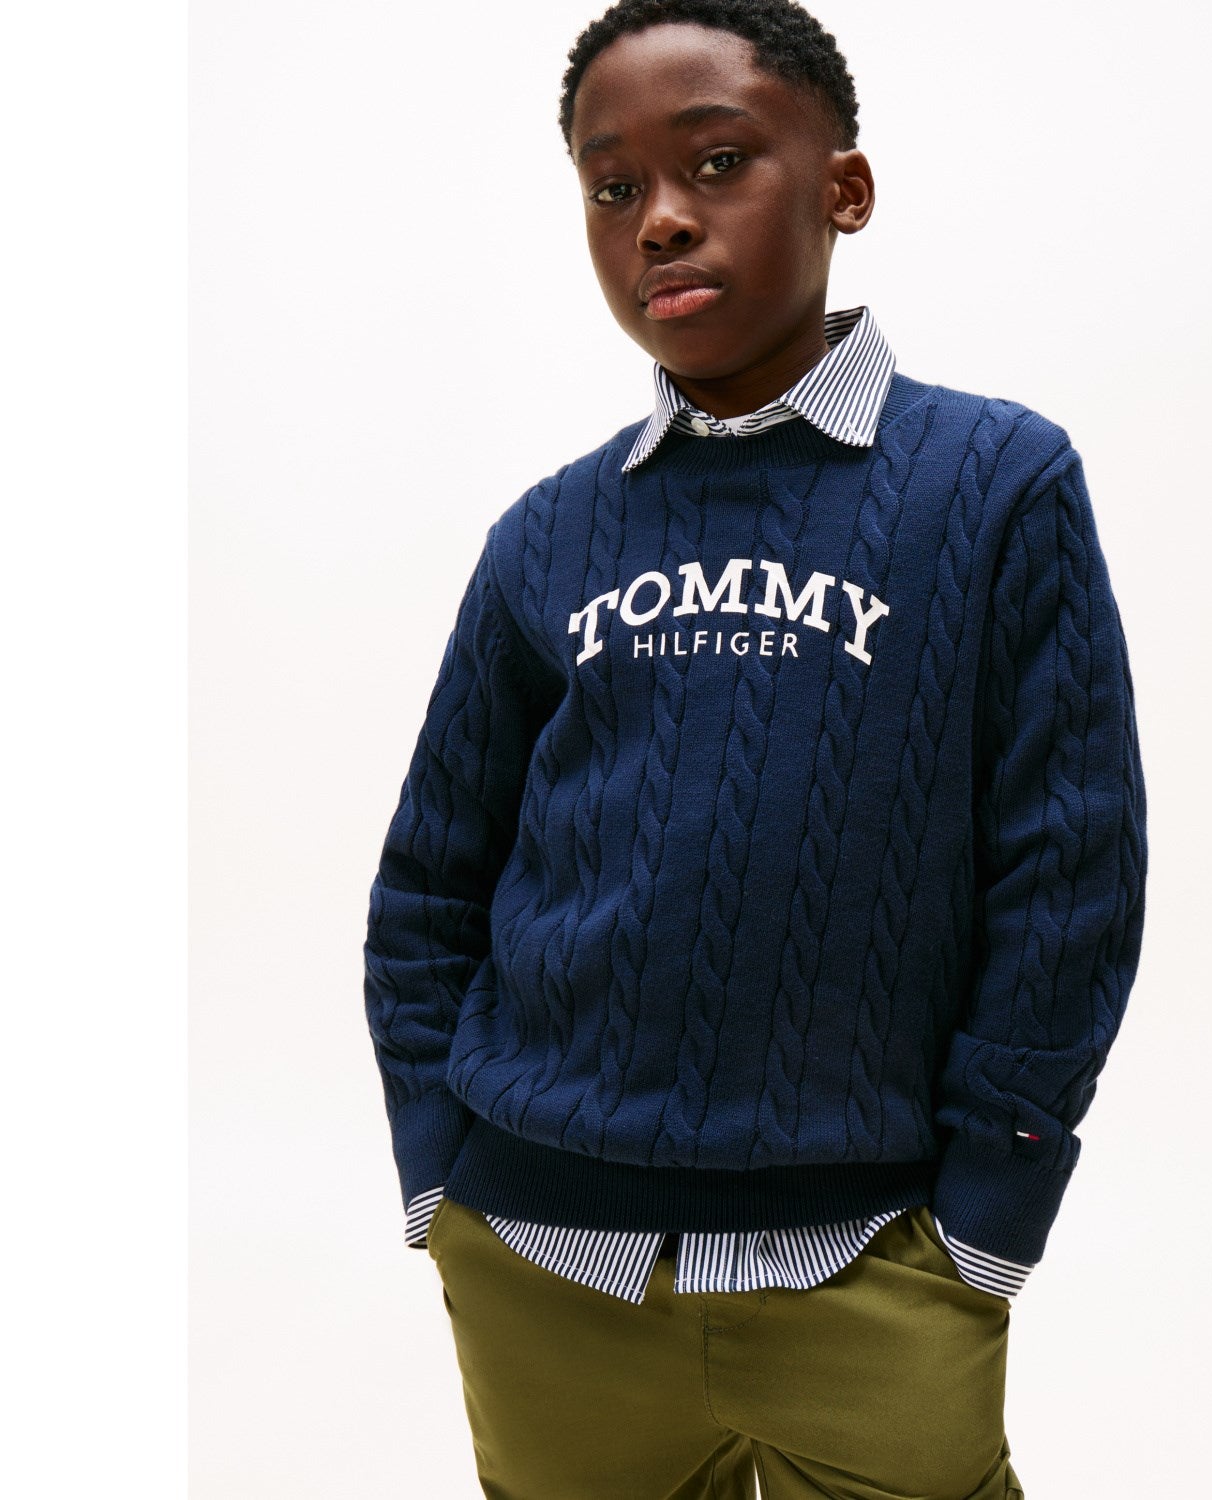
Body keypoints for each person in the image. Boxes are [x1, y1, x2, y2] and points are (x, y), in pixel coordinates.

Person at [362, 1, 1148, 1495]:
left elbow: (1070, 871)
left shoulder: (994, 483)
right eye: (613, 186)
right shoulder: (548, 531)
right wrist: (437, 1171)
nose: (661, 218)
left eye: (717, 162)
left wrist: (988, 1214)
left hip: (874, 1261)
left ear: (844, 188)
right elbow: (431, 881)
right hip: (537, 1258)